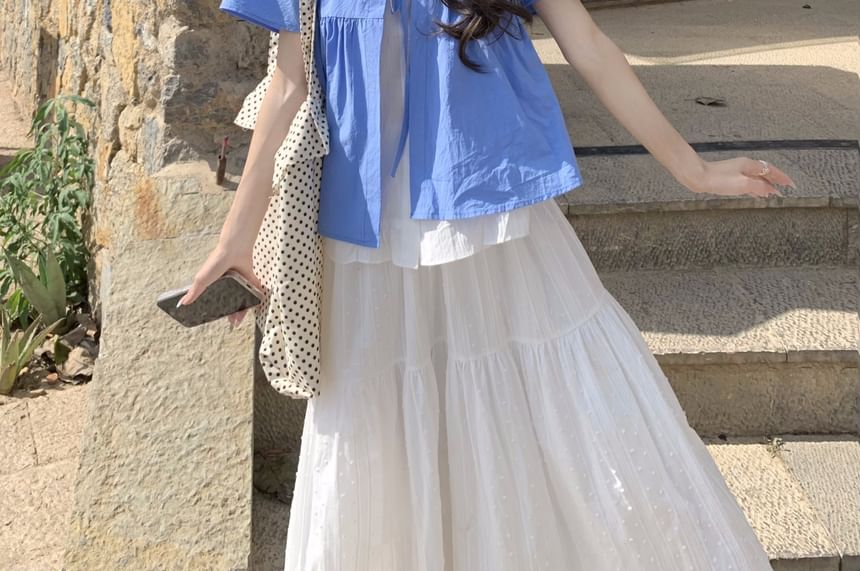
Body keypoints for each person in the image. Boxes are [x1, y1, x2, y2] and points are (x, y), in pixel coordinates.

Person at [182, 0, 795, 568]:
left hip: (489, 216)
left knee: (550, 415)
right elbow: (289, 85)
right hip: (363, 236)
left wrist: (693, 169)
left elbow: (587, 43)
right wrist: (236, 240)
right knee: (377, 445)